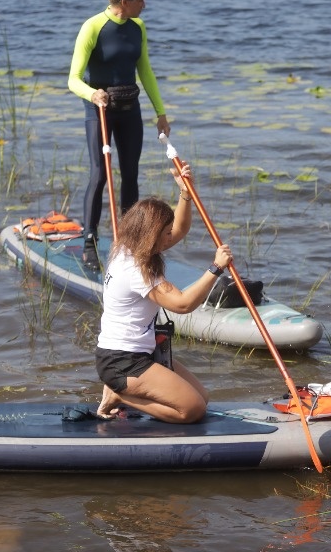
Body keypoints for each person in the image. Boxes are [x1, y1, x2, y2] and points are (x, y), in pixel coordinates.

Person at [95, 167, 232, 423]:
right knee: (192, 410)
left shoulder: (129, 246)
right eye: (165, 233)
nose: (171, 237)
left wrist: (185, 193)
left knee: (202, 397)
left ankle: (126, 392)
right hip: (121, 361)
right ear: (151, 235)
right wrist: (215, 269)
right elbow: (182, 304)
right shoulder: (135, 268)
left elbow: (180, 229)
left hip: (139, 354)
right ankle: (119, 395)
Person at [68, 0, 172, 270]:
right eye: (141, 0)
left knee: (130, 175)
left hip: (131, 111)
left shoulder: (137, 27)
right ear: (124, 1)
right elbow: (73, 79)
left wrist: (160, 112)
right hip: (100, 111)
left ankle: (131, 241)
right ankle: (89, 241)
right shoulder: (93, 27)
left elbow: (146, 72)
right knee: (100, 174)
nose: (145, 5)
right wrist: (92, 95)